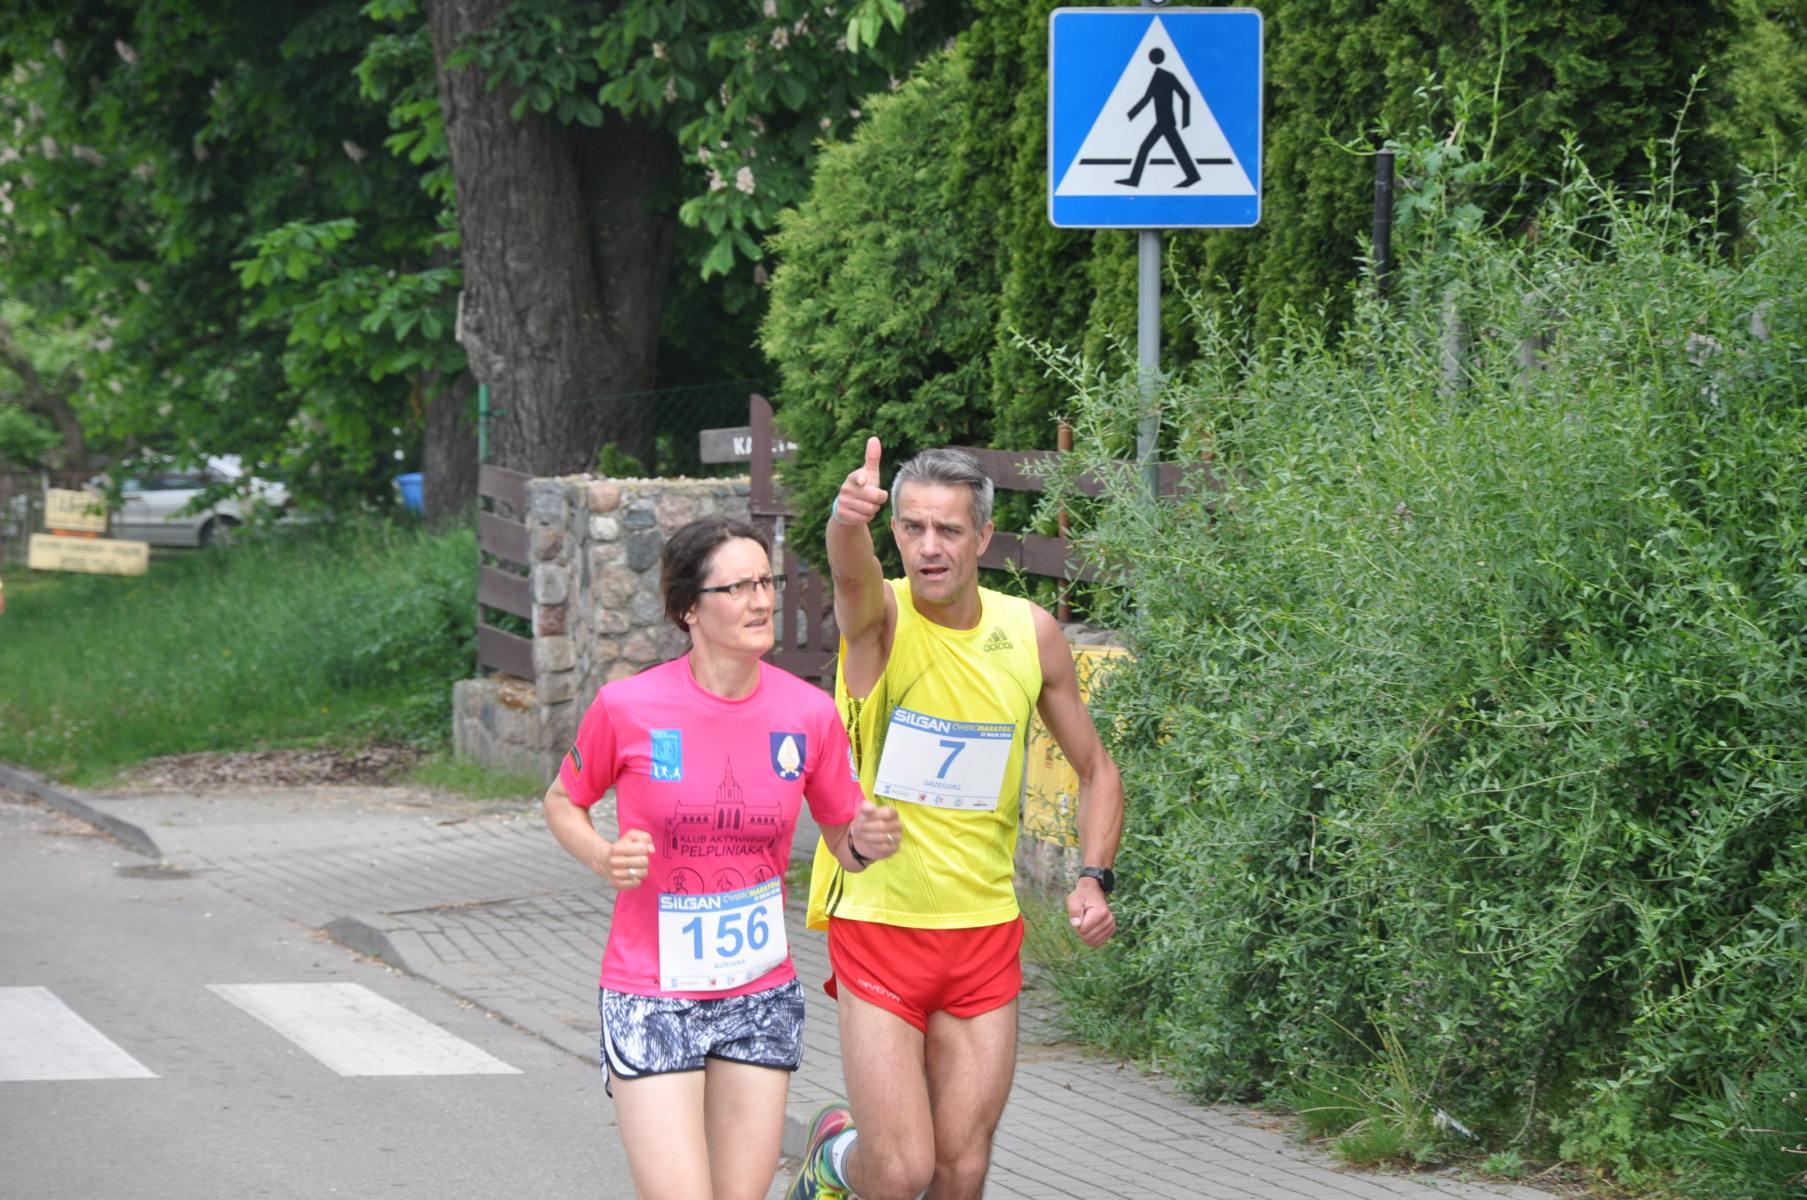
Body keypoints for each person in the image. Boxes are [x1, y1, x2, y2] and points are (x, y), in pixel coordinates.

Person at [789, 441, 1125, 1200]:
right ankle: (834, 1158)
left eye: (947, 529)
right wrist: (845, 520)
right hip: (880, 924)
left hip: (983, 932)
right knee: (899, 1170)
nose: (928, 548)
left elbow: (1097, 770)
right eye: (911, 528)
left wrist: (1092, 879)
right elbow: (851, 575)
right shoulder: (881, 619)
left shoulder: (1030, 632)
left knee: (962, 1168)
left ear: (982, 536)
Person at [545, 515, 904, 1200]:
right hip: (652, 992)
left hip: (757, 992)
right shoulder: (627, 707)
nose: (760, 600)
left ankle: (820, 1169)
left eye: (765, 582)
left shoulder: (808, 713)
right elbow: (563, 800)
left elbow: (842, 838)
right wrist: (601, 855)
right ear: (689, 608)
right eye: (736, 587)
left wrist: (867, 841)